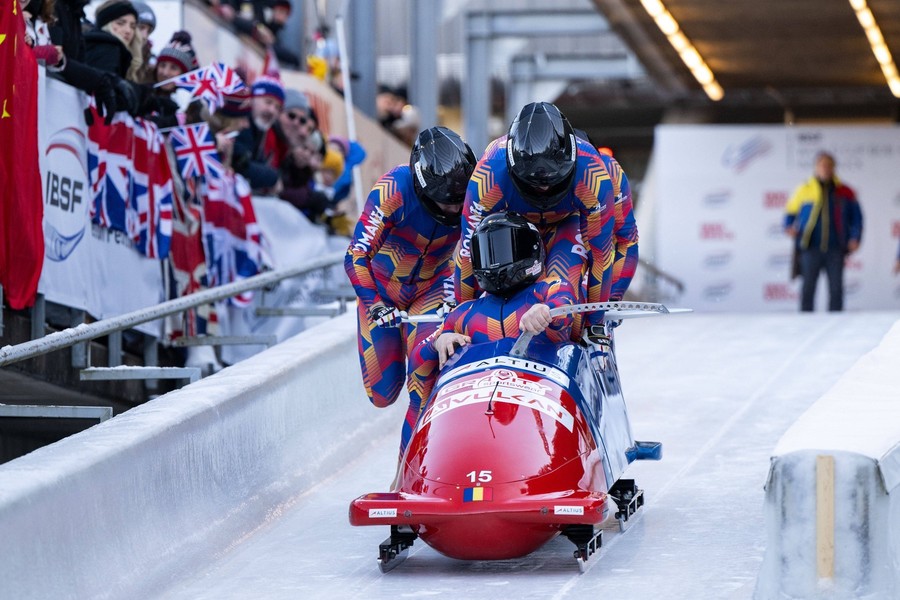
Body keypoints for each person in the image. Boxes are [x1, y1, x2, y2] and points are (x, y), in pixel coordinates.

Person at [344, 126, 476, 460]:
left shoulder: (475, 192)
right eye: (445, 201)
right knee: (383, 392)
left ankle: (411, 468)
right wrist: (374, 305)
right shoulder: (394, 189)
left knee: (425, 376)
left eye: (458, 201)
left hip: (433, 288)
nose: (453, 210)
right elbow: (356, 255)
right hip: (382, 293)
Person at [455, 102, 616, 344]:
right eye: (534, 183)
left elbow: (601, 254)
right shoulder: (488, 173)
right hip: (515, 230)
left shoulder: (592, 172)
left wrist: (595, 323)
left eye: (553, 181)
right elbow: (468, 252)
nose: (544, 189)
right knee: (502, 299)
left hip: (566, 224)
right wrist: (460, 321)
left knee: (566, 309)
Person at [413, 212, 577, 372]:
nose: (495, 262)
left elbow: (565, 304)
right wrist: (437, 343)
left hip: (541, 382)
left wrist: (545, 310)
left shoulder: (549, 288)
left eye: (504, 250)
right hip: (479, 386)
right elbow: (416, 362)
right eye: (487, 253)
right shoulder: (462, 313)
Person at [784, 152, 863, 311]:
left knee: (836, 290)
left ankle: (837, 322)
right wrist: (789, 226)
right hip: (810, 247)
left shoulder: (845, 191)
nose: (825, 169)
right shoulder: (804, 189)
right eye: (822, 165)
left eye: (829, 165)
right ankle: (805, 322)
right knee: (807, 289)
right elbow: (790, 212)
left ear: (834, 168)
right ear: (816, 167)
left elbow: (857, 217)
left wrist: (855, 237)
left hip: (836, 248)